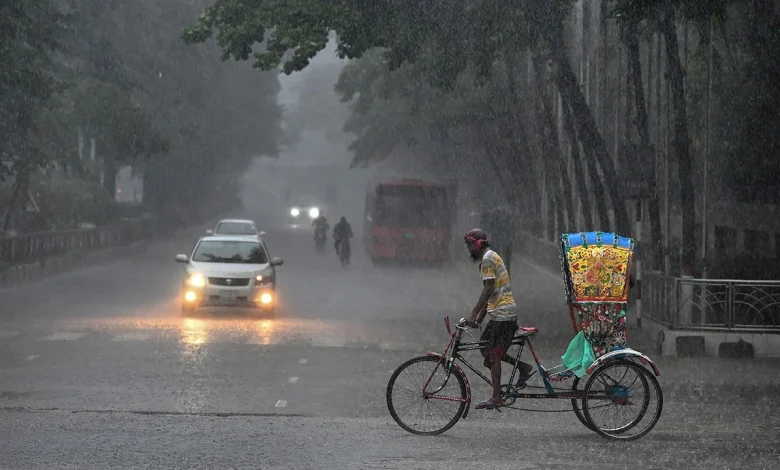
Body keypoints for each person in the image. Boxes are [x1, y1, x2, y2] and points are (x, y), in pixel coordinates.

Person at [464, 228, 533, 410]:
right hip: (500, 312)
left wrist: (473, 314)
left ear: (478, 244)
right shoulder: (490, 257)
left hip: (504, 315)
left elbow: (487, 290)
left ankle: (496, 397)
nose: (469, 249)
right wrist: (480, 318)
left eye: (470, 245)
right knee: (485, 346)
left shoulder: (487, 259)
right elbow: (493, 292)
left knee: (493, 355)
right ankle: (523, 367)